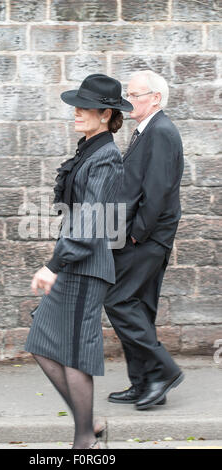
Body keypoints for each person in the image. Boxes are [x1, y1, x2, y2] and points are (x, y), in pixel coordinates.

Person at [24, 74, 133, 448]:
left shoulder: (106, 159)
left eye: (85, 106)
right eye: (77, 104)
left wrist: (53, 265)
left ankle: (84, 438)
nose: (77, 111)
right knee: (42, 341)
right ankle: (88, 424)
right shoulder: (89, 149)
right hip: (75, 263)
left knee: (73, 353)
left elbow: (89, 224)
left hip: (86, 266)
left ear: (106, 114)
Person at [104, 70, 185, 410]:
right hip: (146, 237)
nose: (129, 99)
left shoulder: (161, 131)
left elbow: (158, 189)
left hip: (147, 238)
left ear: (155, 98)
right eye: (129, 93)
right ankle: (144, 383)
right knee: (140, 307)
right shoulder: (146, 130)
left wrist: (136, 233)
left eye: (136, 95)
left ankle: (164, 371)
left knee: (118, 301)